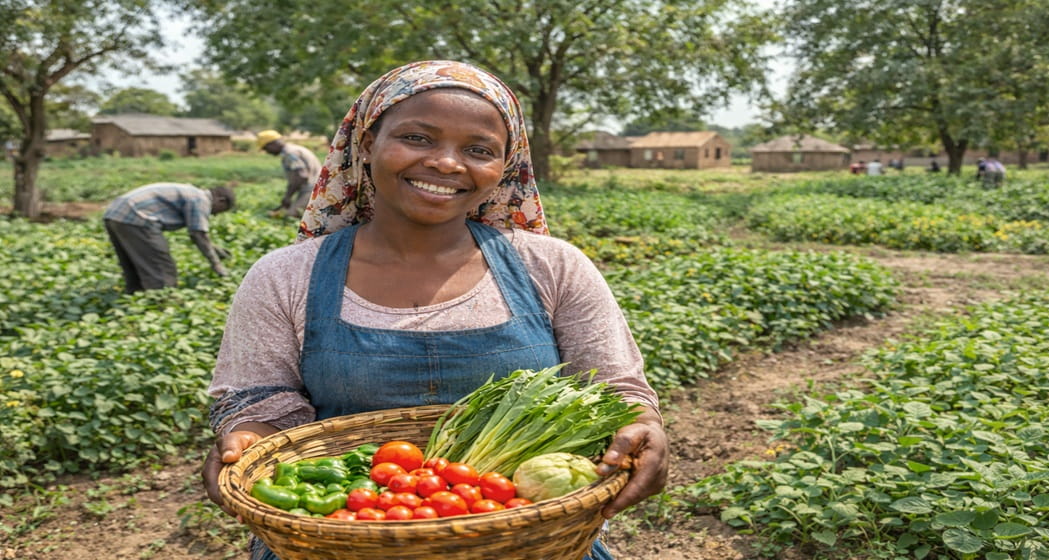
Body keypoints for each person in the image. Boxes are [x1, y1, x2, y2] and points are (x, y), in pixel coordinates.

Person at [201, 60, 668, 560]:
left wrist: (645, 427)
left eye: (478, 150)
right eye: (418, 138)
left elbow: (616, 390)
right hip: (343, 527)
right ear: (366, 145)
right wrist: (248, 440)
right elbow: (261, 404)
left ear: (505, 166)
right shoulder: (285, 276)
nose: (447, 163)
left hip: (524, 535)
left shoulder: (553, 266)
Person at [103, 182, 234, 293]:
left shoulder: (192, 193)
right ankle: (161, 302)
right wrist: (216, 265)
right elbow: (198, 234)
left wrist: (215, 249)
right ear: (221, 200)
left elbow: (199, 235)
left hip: (115, 213)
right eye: (221, 210)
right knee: (161, 267)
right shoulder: (201, 200)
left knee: (132, 263)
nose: (215, 215)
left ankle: (136, 295)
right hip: (136, 216)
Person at [255, 129, 323, 218]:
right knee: (288, 211)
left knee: (291, 215)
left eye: (266, 148)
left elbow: (301, 176)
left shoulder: (290, 154)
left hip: (314, 189)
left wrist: (288, 196)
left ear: (272, 144)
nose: (267, 152)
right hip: (312, 188)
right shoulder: (293, 149)